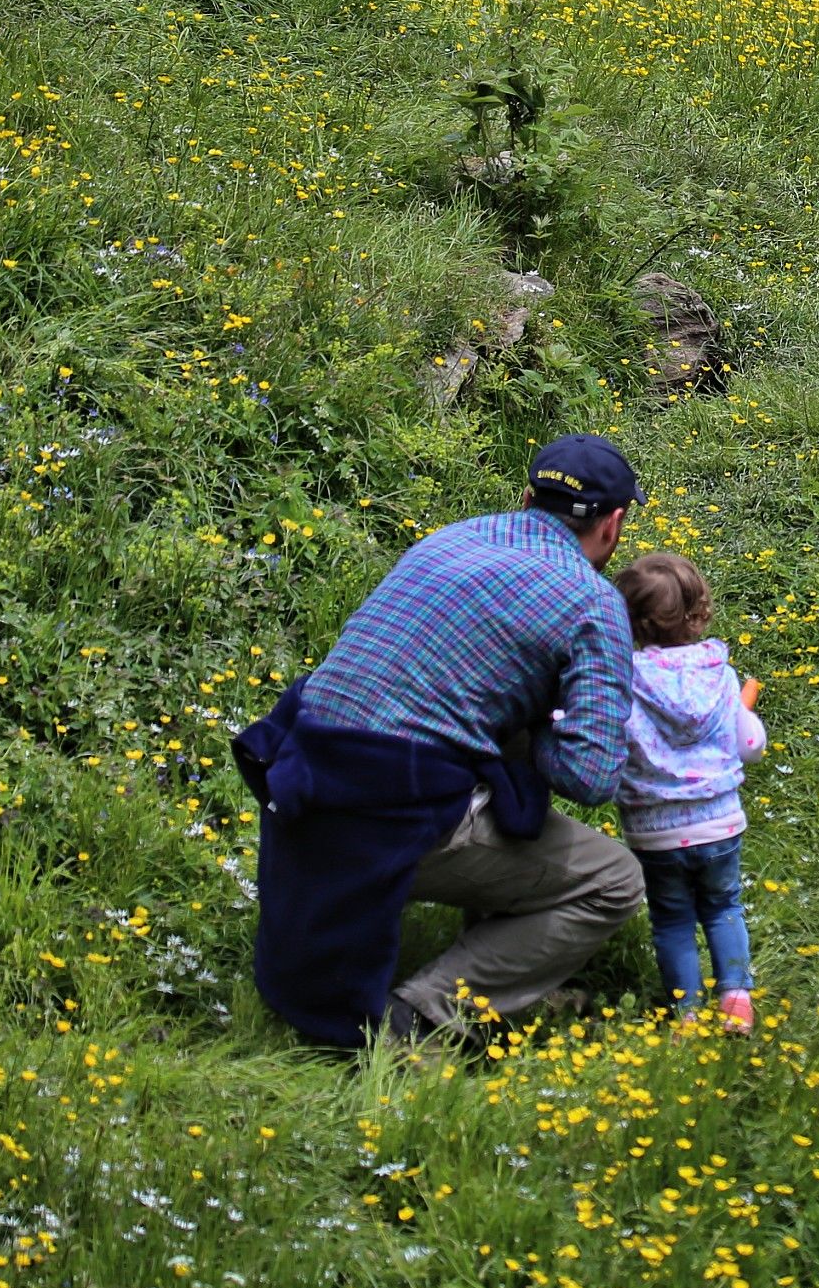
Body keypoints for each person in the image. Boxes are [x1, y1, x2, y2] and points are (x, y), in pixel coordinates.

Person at [230, 433, 648, 1048]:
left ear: (528, 497)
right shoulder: (592, 603)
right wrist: (539, 730)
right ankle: (425, 1015)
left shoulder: (452, 538)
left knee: (496, 751)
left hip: (301, 767)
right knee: (613, 881)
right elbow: (592, 776)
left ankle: (496, 958)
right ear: (612, 526)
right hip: (387, 806)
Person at [608, 552, 766, 1031]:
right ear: (699, 612)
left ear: (629, 619)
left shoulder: (624, 677)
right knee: (723, 907)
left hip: (654, 831)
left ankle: (687, 1013)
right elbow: (750, 745)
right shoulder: (719, 672)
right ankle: (736, 1001)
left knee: (672, 920)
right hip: (719, 821)